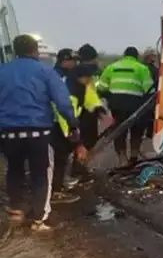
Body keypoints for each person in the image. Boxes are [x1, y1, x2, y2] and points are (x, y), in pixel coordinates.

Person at [0, 34, 78, 232]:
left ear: (15, 51)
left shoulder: (2, 71)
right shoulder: (45, 72)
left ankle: (16, 209)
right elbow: (62, 102)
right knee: (41, 175)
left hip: (8, 133)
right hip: (38, 133)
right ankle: (38, 220)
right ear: (35, 50)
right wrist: (72, 124)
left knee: (14, 169)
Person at [51, 63, 113, 202]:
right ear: (80, 78)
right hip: (57, 126)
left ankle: (59, 184)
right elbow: (64, 120)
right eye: (88, 78)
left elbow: (91, 100)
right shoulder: (67, 91)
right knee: (59, 158)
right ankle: (55, 191)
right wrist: (78, 143)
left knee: (64, 157)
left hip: (68, 124)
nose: (91, 81)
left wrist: (101, 112)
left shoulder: (80, 87)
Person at [97, 46, 154, 166]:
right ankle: (133, 156)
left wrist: (110, 96)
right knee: (136, 130)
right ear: (137, 57)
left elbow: (101, 87)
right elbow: (149, 89)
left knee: (119, 132)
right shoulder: (142, 68)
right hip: (135, 105)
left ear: (124, 55)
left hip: (116, 105)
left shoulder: (111, 67)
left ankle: (122, 159)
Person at [71, 43, 102, 179]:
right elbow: (87, 92)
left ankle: (80, 166)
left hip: (89, 109)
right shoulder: (82, 72)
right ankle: (78, 168)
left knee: (88, 140)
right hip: (84, 111)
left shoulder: (87, 71)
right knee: (84, 140)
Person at [142, 50, 159, 139]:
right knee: (149, 115)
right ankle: (148, 133)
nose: (154, 58)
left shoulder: (147, 68)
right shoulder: (152, 69)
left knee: (148, 115)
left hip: (147, 95)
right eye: (152, 56)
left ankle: (147, 133)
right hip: (149, 94)